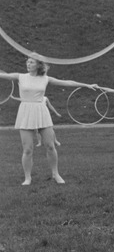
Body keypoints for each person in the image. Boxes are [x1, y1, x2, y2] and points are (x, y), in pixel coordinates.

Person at [0, 57, 98, 185]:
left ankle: (55, 174)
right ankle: (27, 178)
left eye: (31, 62)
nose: (28, 64)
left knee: (51, 146)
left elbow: (67, 83)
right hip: (25, 112)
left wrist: (87, 85)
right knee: (27, 149)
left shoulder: (45, 79)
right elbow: (2, 75)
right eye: (27, 61)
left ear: (38, 65)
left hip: (41, 111)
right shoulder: (20, 76)